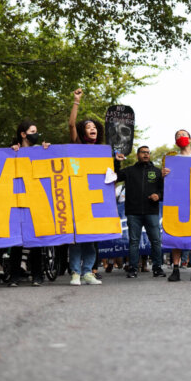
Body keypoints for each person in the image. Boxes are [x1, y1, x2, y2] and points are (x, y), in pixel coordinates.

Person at [0, 120, 51, 287]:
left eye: (36, 131)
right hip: (16, 200)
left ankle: (37, 275)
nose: (35, 134)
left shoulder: (40, 151)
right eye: (32, 131)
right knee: (17, 242)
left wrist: (47, 151)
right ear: (23, 134)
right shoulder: (12, 151)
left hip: (35, 199)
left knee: (35, 240)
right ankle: (14, 275)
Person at [67, 88, 109, 286]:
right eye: (88, 126)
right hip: (77, 197)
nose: (92, 128)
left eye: (94, 126)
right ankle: (75, 273)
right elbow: (71, 124)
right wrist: (77, 101)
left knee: (91, 239)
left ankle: (87, 273)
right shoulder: (77, 146)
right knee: (76, 239)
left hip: (95, 199)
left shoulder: (102, 152)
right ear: (83, 131)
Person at [115, 145, 166, 278]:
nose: (146, 154)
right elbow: (114, 176)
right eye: (143, 152)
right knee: (134, 241)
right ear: (138, 155)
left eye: (148, 153)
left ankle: (157, 268)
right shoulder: (129, 171)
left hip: (151, 212)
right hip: (133, 212)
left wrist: (158, 196)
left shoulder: (157, 172)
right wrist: (116, 162)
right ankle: (132, 268)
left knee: (156, 241)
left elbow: (165, 190)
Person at [161, 129, 191, 282]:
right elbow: (167, 184)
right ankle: (175, 269)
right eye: (177, 136)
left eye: (183, 135)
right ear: (175, 142)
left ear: (190, 139)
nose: (181, 137)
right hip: (177, 201)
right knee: (176, 234)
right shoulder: (172, 161)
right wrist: (164, 175)